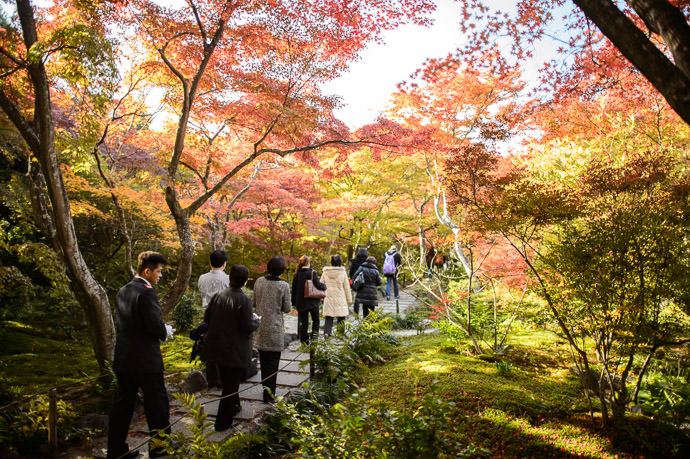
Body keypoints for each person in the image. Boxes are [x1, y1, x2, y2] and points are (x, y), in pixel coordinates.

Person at [107, 251, 172, 459]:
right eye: (159, 271)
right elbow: (154, 325)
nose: (160, 275)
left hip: (124, 357)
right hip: (146, 360)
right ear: (147, 271)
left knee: (122, 406)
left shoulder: (123, 290)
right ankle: (160, 451)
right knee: (157, 406)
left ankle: (116, 450)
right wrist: (166, 331)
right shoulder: (146, 291)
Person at [201, 264, 260, 431]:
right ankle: (223, 423)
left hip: (217, 345)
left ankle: (235, 407)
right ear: (245, 281)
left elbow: (207, 318)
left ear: (230, 278)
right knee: (230, 386)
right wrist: (257, 321)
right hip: (235, 349)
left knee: (228, 381)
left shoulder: (218, 296)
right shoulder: (243, 299)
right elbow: (247, 325)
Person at [253, 256, 291, 403]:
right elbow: (287, 308)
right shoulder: (284, 286)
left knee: (263, 362)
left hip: (261, 326)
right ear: (281, 270)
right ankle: (270, 395)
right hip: (275, 327)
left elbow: (254, 302)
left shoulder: (259, 282)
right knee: (273, 364)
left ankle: (265, 391)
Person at [291, 255, 327, 344]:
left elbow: (294, 290)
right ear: (308, 263)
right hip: (312, 302)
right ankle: (314, 340)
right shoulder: (312, 272)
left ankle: (304, 341)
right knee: (316, 321)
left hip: (301, 303)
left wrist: (294, 303)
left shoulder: (297, 274)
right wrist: (324, 286)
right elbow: (318, 284)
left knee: (304, 323)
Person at [320, 254, 352, 337]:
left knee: (329, 316)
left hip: (328, 296)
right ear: (340, 262)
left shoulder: (325, 272)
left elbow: (321, 284)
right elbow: (346, 287)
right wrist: (349, 300)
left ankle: (327, 332)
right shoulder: (342, 272)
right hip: (340, 297)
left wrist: (321, 297)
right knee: (341, 315)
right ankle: (340, 333)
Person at [348, 247, 368, 316]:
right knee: (365, 298)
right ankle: (365, 314)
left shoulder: (354, 262)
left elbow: (350, 273)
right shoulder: (367, 262)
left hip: (356, 282)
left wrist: (353, 279)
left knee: (357, 297)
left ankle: (356, 313)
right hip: (365, 283)